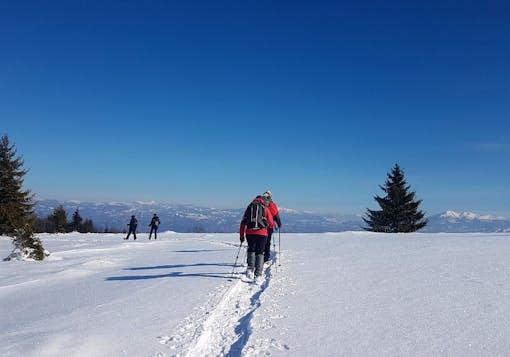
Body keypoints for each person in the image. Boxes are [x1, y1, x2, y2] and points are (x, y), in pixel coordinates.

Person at [240, 195, 274, 280]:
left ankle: (250, 269)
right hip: (262, 233)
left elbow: (243, 222)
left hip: (250, 232)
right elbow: (271, 223)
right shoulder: (265, 208)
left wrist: (241, 236)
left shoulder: (250, 207)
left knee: (251, 249)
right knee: (260, 252)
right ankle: (258, 274)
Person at [262, 190, 282, 263]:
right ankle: (265, 258)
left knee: (259, 242)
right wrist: (279, 224)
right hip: (269, 226)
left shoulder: (259, 204)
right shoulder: (272, 204)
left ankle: (257, 258)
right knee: (267, 242)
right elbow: (276, 215)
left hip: (260, 226)